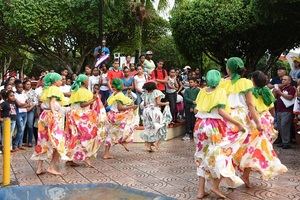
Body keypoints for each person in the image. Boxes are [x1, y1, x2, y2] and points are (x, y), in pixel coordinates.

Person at [220, 57, 287, 188]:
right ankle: (241, 175)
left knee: (230, 149)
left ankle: (231, 176)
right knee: (249, 148)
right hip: (243, 119)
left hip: (227, 119)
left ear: (228, 68)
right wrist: (258, 123)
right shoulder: (245, 83)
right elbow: (251, 105)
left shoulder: (223, 83)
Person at [194, 69, 245, 199]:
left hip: (199, 125)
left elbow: (196, 108)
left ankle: (200, 191)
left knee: (201, 155)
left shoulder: (201, 91)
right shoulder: (221, 91)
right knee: (218, 154)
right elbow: (222, 112)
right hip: (213, 127)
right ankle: (215, 185)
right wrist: (238, 124)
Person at [31, 73, 68, 175]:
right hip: (52, 117)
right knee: (58, 141)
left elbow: (43, 103)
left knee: (42, 141)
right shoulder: (54, 89)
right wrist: (55, 114)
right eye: (60, 80)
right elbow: (52, 102)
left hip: (44, 116)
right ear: (54, 81)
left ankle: (39, 168)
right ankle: (51, 167)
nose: (61, 81)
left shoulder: (45, 89)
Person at [65, 74, 106, 167]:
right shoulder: (84, 92)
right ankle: (86, 158)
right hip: (81, 116)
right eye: (87, 80)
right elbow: (83, 105)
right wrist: (94, 99)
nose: (88, 81)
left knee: (74, 137)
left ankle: (71, 158)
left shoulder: (76, 90)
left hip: (73, 116)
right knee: (87, 136)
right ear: (84, 82)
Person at [104, 79, 138, 158]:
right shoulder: (119, 95)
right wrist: (132, 107)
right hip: (117, 116)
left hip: (112, 115)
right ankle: (122, 141)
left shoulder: (114, 94)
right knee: (130, 125)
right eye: (122, 84)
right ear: (119, 85)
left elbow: (107, 103)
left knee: (112, 133)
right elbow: (120, 108)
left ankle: (108, 152)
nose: (124, 86)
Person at [140, 81, 171, 152]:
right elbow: (158, 103)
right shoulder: (157, 92)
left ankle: (149, 146)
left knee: (149, 128)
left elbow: (144, 104)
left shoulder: (145, 94)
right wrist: (166, 103)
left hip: (146, 112)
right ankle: (155, 143)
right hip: (154, 112)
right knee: (159, 126)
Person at [251, 71, 277, 143]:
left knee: (256, 142)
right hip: (267, 117)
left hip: (255, 118)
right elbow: (272, 107)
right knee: (266, 140)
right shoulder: (267, 90)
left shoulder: (250, 91)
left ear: (253, 80)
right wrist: (273, 118)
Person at [273, 75, 296, 149]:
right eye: (282, 79)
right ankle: (283, 142)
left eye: (285, 80)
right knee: (280, 127)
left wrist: (280, 93)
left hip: (287, 111)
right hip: (279, 110)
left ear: (289, 81)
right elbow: (274, 97)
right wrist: (275, 91)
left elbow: (290, 97)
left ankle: (286, 143)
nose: (283, 81)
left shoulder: (291, 88)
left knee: (284, 126)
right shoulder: (282, 88)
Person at [13, 80, 29, 151]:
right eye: (19, 87)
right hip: (18, 113)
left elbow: (28, 103)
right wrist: (24, 105)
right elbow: (18, 105)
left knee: (23, 129)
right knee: (20, 129)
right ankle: (15, 144)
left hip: (24, 112)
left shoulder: (24, 94)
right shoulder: (14, 95)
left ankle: (20, 144)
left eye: (22, 87)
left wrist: (24, 105)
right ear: (16, 88)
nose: (21, 89)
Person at [23, 80, 38, 147]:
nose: (28, 85)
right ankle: (23, 141)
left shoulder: (33, 92)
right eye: (27, 84)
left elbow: (35, 102)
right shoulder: (22, 92)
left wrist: (30, 108)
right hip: (22, 110)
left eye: (29, 84)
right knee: (23, 125)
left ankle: (30, 141)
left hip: (30, 110)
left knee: (30, 125)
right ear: (24, 85)